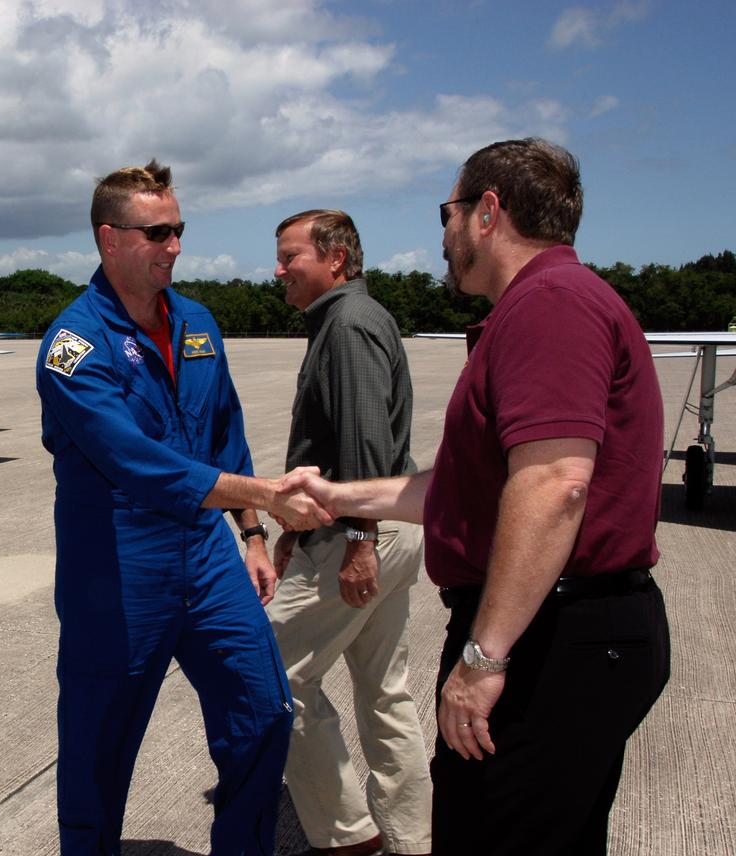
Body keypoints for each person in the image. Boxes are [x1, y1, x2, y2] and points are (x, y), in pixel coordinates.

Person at [279, 138, 670, 855]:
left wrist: (483, 660)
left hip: (556, 641)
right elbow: (462, 489)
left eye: (447, 212)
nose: (443, 233)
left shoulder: (549, 305)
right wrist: (336, 495)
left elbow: (555, 485)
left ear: (487, 212)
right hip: (561, 632)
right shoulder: (543, 304)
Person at [35, 160, 327, 855]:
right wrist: (264, 495)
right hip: (118, 567)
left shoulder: (196, 321)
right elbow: (139, 464)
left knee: (262, 713)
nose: (174, 246)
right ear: (110, 238)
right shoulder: (73, 349)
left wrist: (252, 535)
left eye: (179, 230)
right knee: (98, 749)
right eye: (157, 232)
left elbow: (224, 425)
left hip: (206, 554)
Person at [265, 210, 431, 856]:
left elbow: (364, 439)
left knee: (272, 672)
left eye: (289, 256)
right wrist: (295, 534)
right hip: (377, 529)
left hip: (364, 536)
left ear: (336, 260)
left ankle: (347, 839)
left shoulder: (350, 326)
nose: (278, 270)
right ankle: (413, 837)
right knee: (384, 688)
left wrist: (359, 542)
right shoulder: (343, 322)